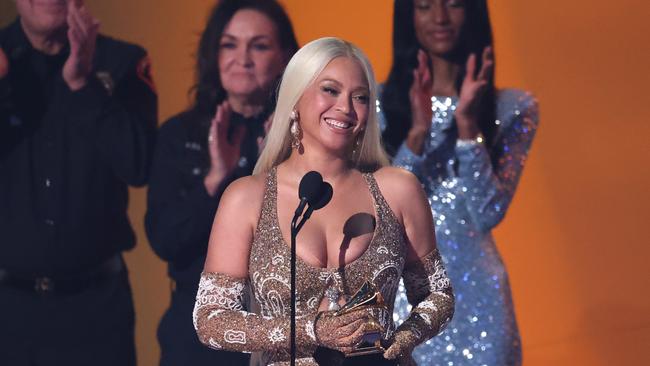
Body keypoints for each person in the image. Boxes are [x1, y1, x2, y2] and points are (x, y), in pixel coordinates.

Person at [192, 37, 454, 366]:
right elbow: (210, 319)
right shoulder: (247, 197)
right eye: (330, 90)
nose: (345, 107)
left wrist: (405, 336)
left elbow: (436, 293)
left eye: (360, 97)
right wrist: (311, 330)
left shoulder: (397, 189)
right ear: (295, 98)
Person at [380, 0, 539, 365]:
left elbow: (487, 213)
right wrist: (418, 133)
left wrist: (468, 127)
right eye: (424, 6)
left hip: (481, 303)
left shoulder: (511, 107)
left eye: (453, 4)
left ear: (472, 13)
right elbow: (383, 210)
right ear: (409, 16)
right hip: (408, 303)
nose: (440, 18)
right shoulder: (378, 103)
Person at [0, 0, 157, 365]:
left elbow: (140, 166)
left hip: (97, 308)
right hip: (8, 310)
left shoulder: (121, 61)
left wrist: (84, 84)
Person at [144, 1, 298, 365]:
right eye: (229, 45)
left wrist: (279, 164)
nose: (242, 59)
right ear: (213, 54)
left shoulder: (305, 137)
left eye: (258, 46)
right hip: (197, 336)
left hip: (282, 331)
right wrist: (215, 179)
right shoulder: (179, 134)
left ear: (285, 56)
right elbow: (165, 239)